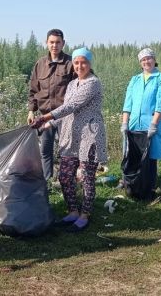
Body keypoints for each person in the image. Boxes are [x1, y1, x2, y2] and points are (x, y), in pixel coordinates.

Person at [30, 47, 107, 232]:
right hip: (70, 136)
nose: (80, 66)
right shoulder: (72, 84)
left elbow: (72, 106)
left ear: (89, 64)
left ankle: (85, 215)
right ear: (73, 64)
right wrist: (49, 125)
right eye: (76, 62)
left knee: (88, 178)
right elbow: (66, 110)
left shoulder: (93, 83)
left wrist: (45, 117)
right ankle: (73, 210)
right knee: (65, 176)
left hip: (89, 135)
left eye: (84, 62)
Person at [120, 47, 161, 198]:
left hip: (150, 123)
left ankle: (149, 186)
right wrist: (124, 123)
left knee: (150, 155)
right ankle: (130, 182)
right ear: (140, 63)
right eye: (143, 60)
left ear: (154, 60)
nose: (146, 62)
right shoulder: (135, 79)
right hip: (134, 123)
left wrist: (154, 124)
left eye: (148, 58)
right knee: (132, 153)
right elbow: (127, 103)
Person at [27, 29, 76, 181]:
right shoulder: (40, 64)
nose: (55, 45)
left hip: (65, 116)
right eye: (52, 42)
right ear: (46, 43)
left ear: (63, 44)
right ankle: (47, 181)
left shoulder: (70, 63)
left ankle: (68, 181)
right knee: (45, 150)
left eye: (58, 42)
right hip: (45, 116)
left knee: (67, 151)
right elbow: (33, 89)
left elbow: (79, 88)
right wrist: (31, 111)